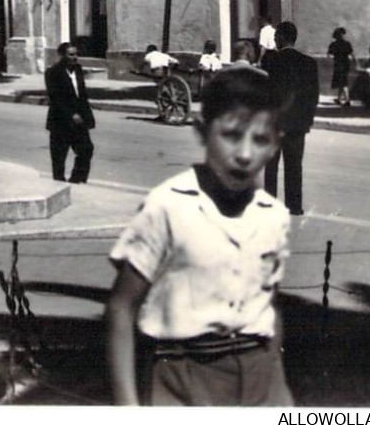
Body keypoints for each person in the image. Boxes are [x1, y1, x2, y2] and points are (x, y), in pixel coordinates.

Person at [105, 68, 292, 405]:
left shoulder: (273, 216)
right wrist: (127, 408)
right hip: (182, 375)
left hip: (260, 374)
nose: (245, 153)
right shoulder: (168, 207)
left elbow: (269, 306)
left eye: (260, 139)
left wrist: (281, 396)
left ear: (276, 145)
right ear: (203, 133)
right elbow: (121, 306)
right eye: (232, 135)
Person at [262, 20, 318, 215]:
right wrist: (306, 121)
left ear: (283, 37)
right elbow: (313, 97)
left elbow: (267, 94)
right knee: (294, 167)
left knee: (271, 168)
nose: (275, 39)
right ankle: (294, 206)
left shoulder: (271, 62)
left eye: (277, 36)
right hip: (297, 126)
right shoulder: (309, 63)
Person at [45, 40, 95, 184]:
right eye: (71, 55)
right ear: (62, 56)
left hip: (79, 121)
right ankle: (59, 185)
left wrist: (88, 116)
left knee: (86, 149)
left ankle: (77, 179)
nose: (75, 57)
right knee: (59, 158)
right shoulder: (52, 73)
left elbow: (82, 94)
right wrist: (71, 114)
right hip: (60, 122)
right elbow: (55, 98)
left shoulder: (78, 70)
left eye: (76, 54)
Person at [327, 26, 354, 104]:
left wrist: (334, 57)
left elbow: (329, 55)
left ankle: (347, 99)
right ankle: (339, 99)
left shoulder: (333, 44)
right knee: (342, 81)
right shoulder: (347, 44)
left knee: (342, 82)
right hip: (346, 64)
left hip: (338, 64)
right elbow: (351, 55)